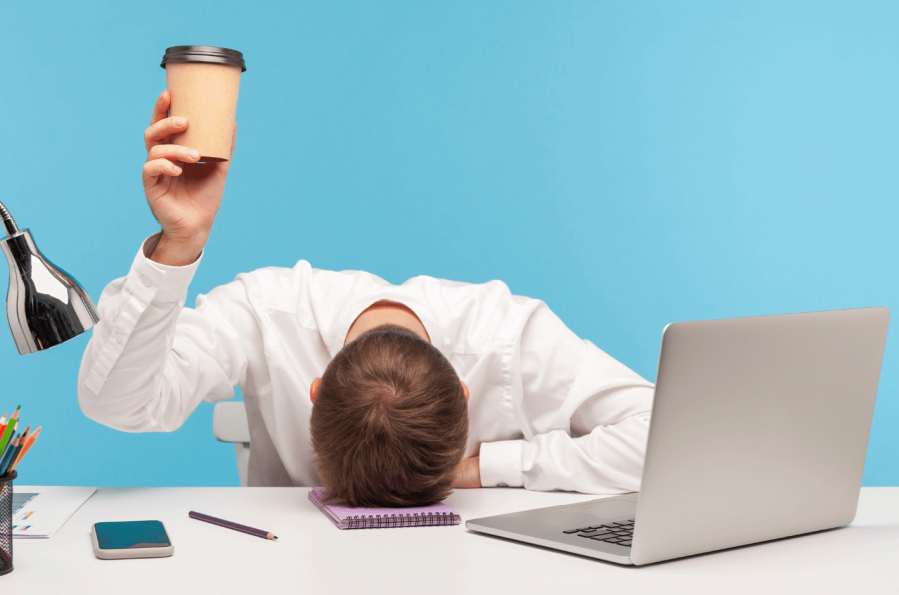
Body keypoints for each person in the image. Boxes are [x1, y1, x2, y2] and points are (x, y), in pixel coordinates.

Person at [78, 92, 654, 506]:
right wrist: (177, 246)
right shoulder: (265, 310)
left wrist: (490, 469)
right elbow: (116, 405)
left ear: (317, 392)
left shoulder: (507, 335)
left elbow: (664, 432)